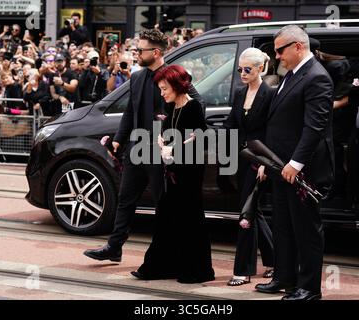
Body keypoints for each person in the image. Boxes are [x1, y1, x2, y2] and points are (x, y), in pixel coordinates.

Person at [83, 29, 204, 263]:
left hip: (161, 152)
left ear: (156, 52)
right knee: (125, 199)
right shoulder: (137, 77)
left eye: (140, 50)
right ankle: (114, 247)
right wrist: (119, 138)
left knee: (164, 205)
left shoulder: (174, 76)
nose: (136, 53)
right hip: (137, 149)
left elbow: (197, 103)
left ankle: (170, 254)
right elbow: (131, 111)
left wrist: (175, 132)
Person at [255, 25, 334, 300]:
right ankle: (284, 278)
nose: (276, 56)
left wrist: (296, 164)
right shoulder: (292, 75)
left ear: (298, 46)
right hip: (280, 167)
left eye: (280, 50)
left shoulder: (316, 77)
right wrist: (268, 161)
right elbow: (279, 124)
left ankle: (309, 288)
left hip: (302, 171)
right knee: (283, 226)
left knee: (306, 230)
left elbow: (314, 127)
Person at [132, 64, 215, 283]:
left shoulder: (193, 107)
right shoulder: (172, 108)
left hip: (190, 172)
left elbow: (200, 139)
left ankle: (196, 270)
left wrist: (174, 148)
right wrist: (163, 142)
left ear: (177, 86)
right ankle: (159, 267)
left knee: (190, 220)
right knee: (167, 218)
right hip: (174, 171)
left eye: (164, 89)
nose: (162, 93)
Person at [224, 48, 275, 286]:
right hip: (242, 158)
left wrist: (267, 163)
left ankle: (243, 271)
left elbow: (273, 132)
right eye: (239, 70)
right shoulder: (238, 93)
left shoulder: (270, 94)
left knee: (246, 212)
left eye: (247, 70)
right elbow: (231, 125)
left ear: (260, 69)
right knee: (254, 210)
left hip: (261, 160)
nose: (242, 74)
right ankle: (276, 261)